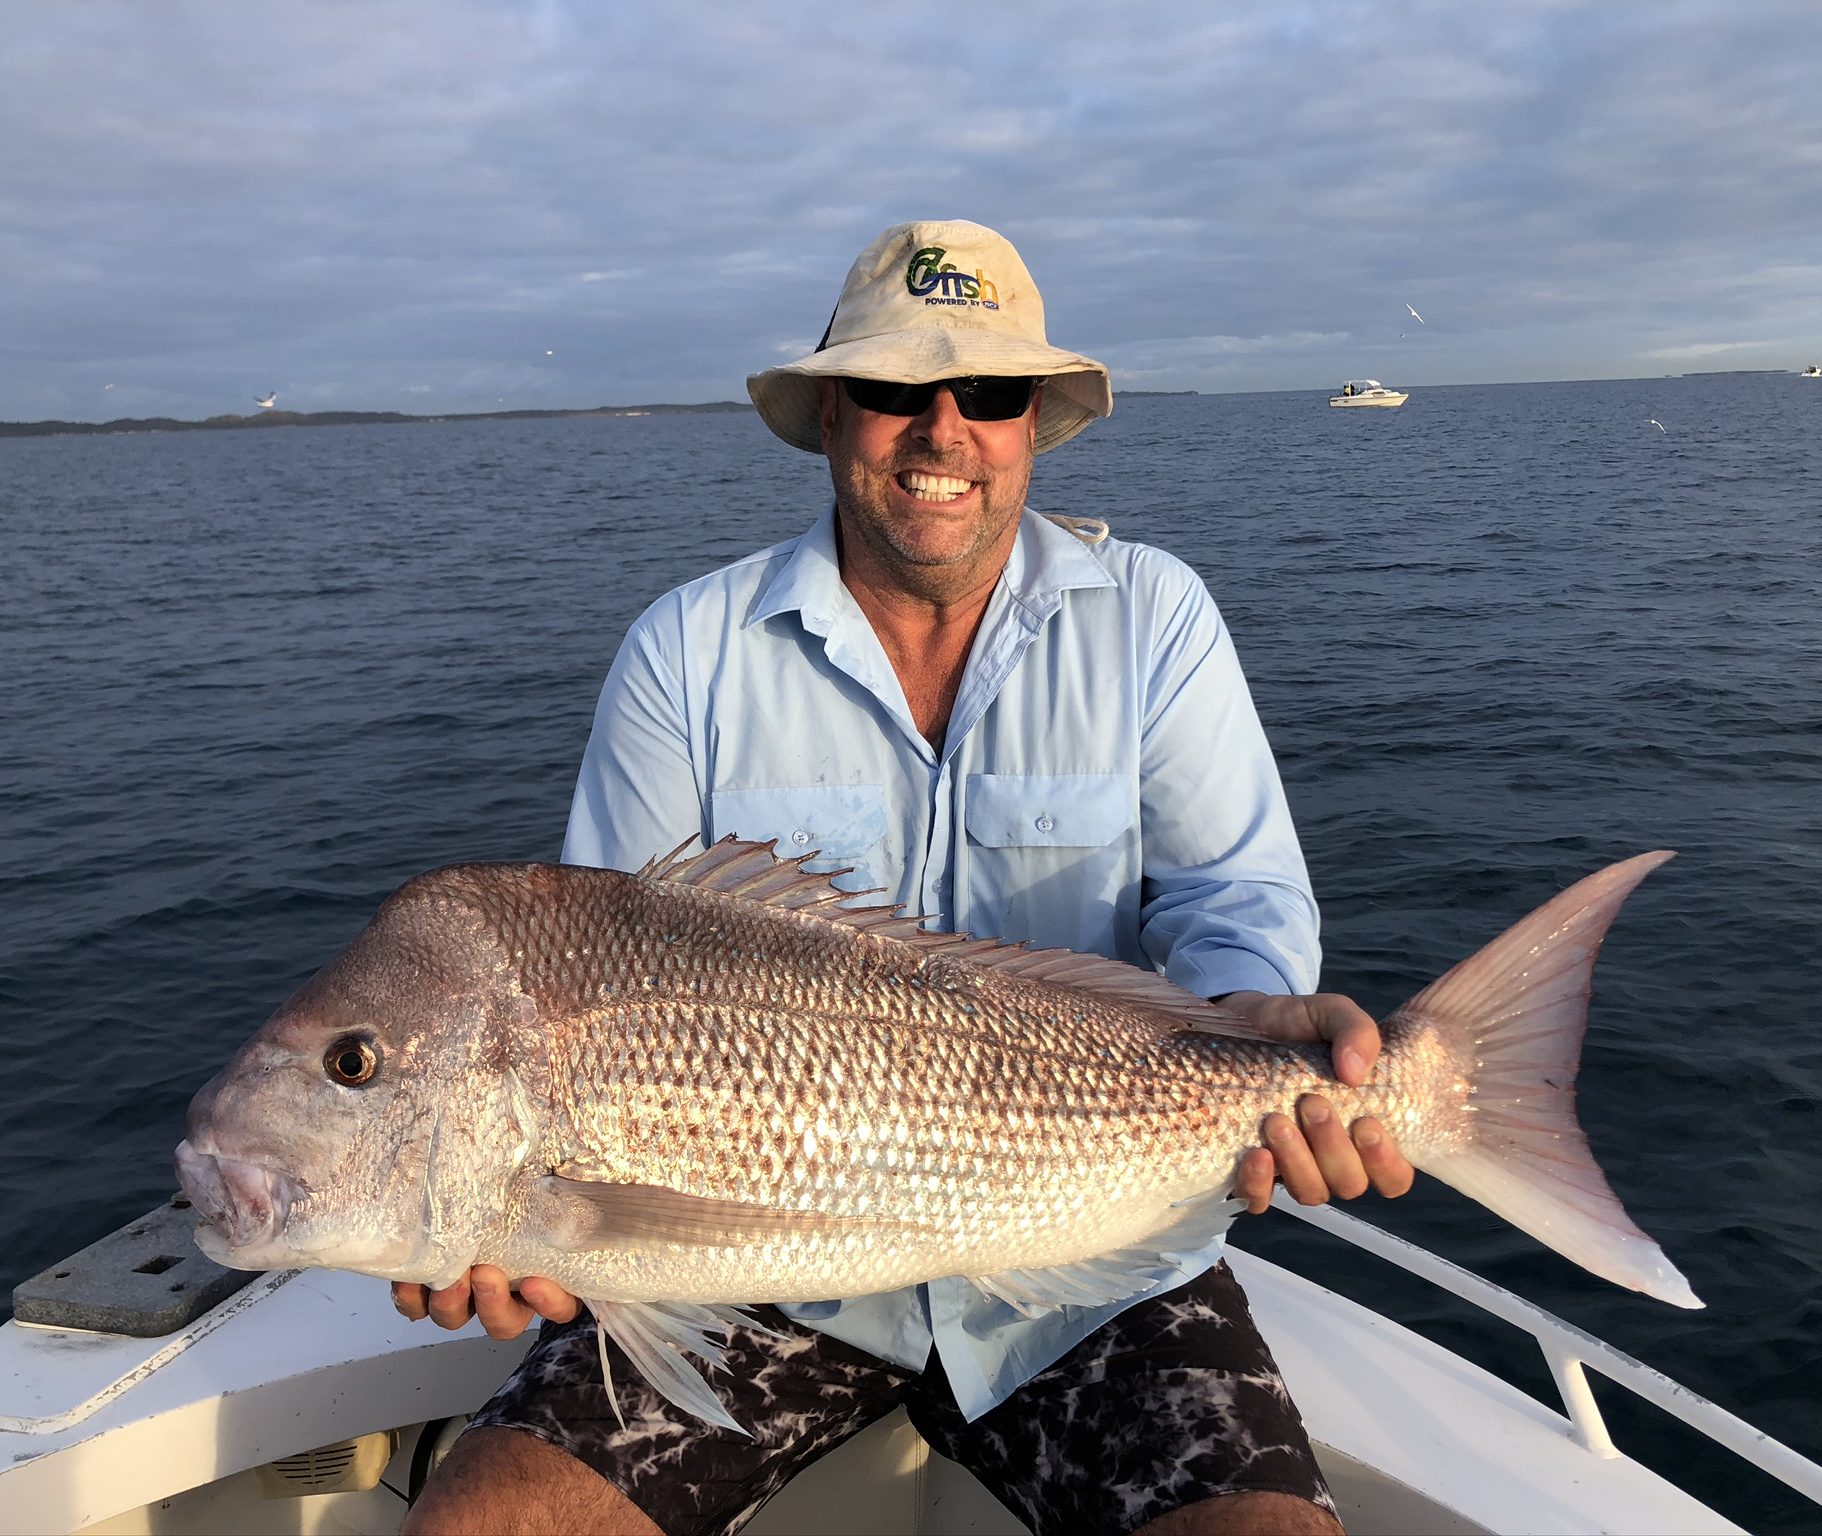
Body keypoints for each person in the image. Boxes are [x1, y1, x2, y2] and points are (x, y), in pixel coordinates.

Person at [397, 219, 1413, 1536]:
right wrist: (490, 1218)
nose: (941, 429)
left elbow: (1232, 897)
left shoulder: (1154, 615)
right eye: (892, 391)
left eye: (986, 393)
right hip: (749, 1268)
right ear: (831, 416)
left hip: (1093, 1260)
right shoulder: (686, 650)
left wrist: (1250, 1016)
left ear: (1032, 424)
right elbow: (582, 990)